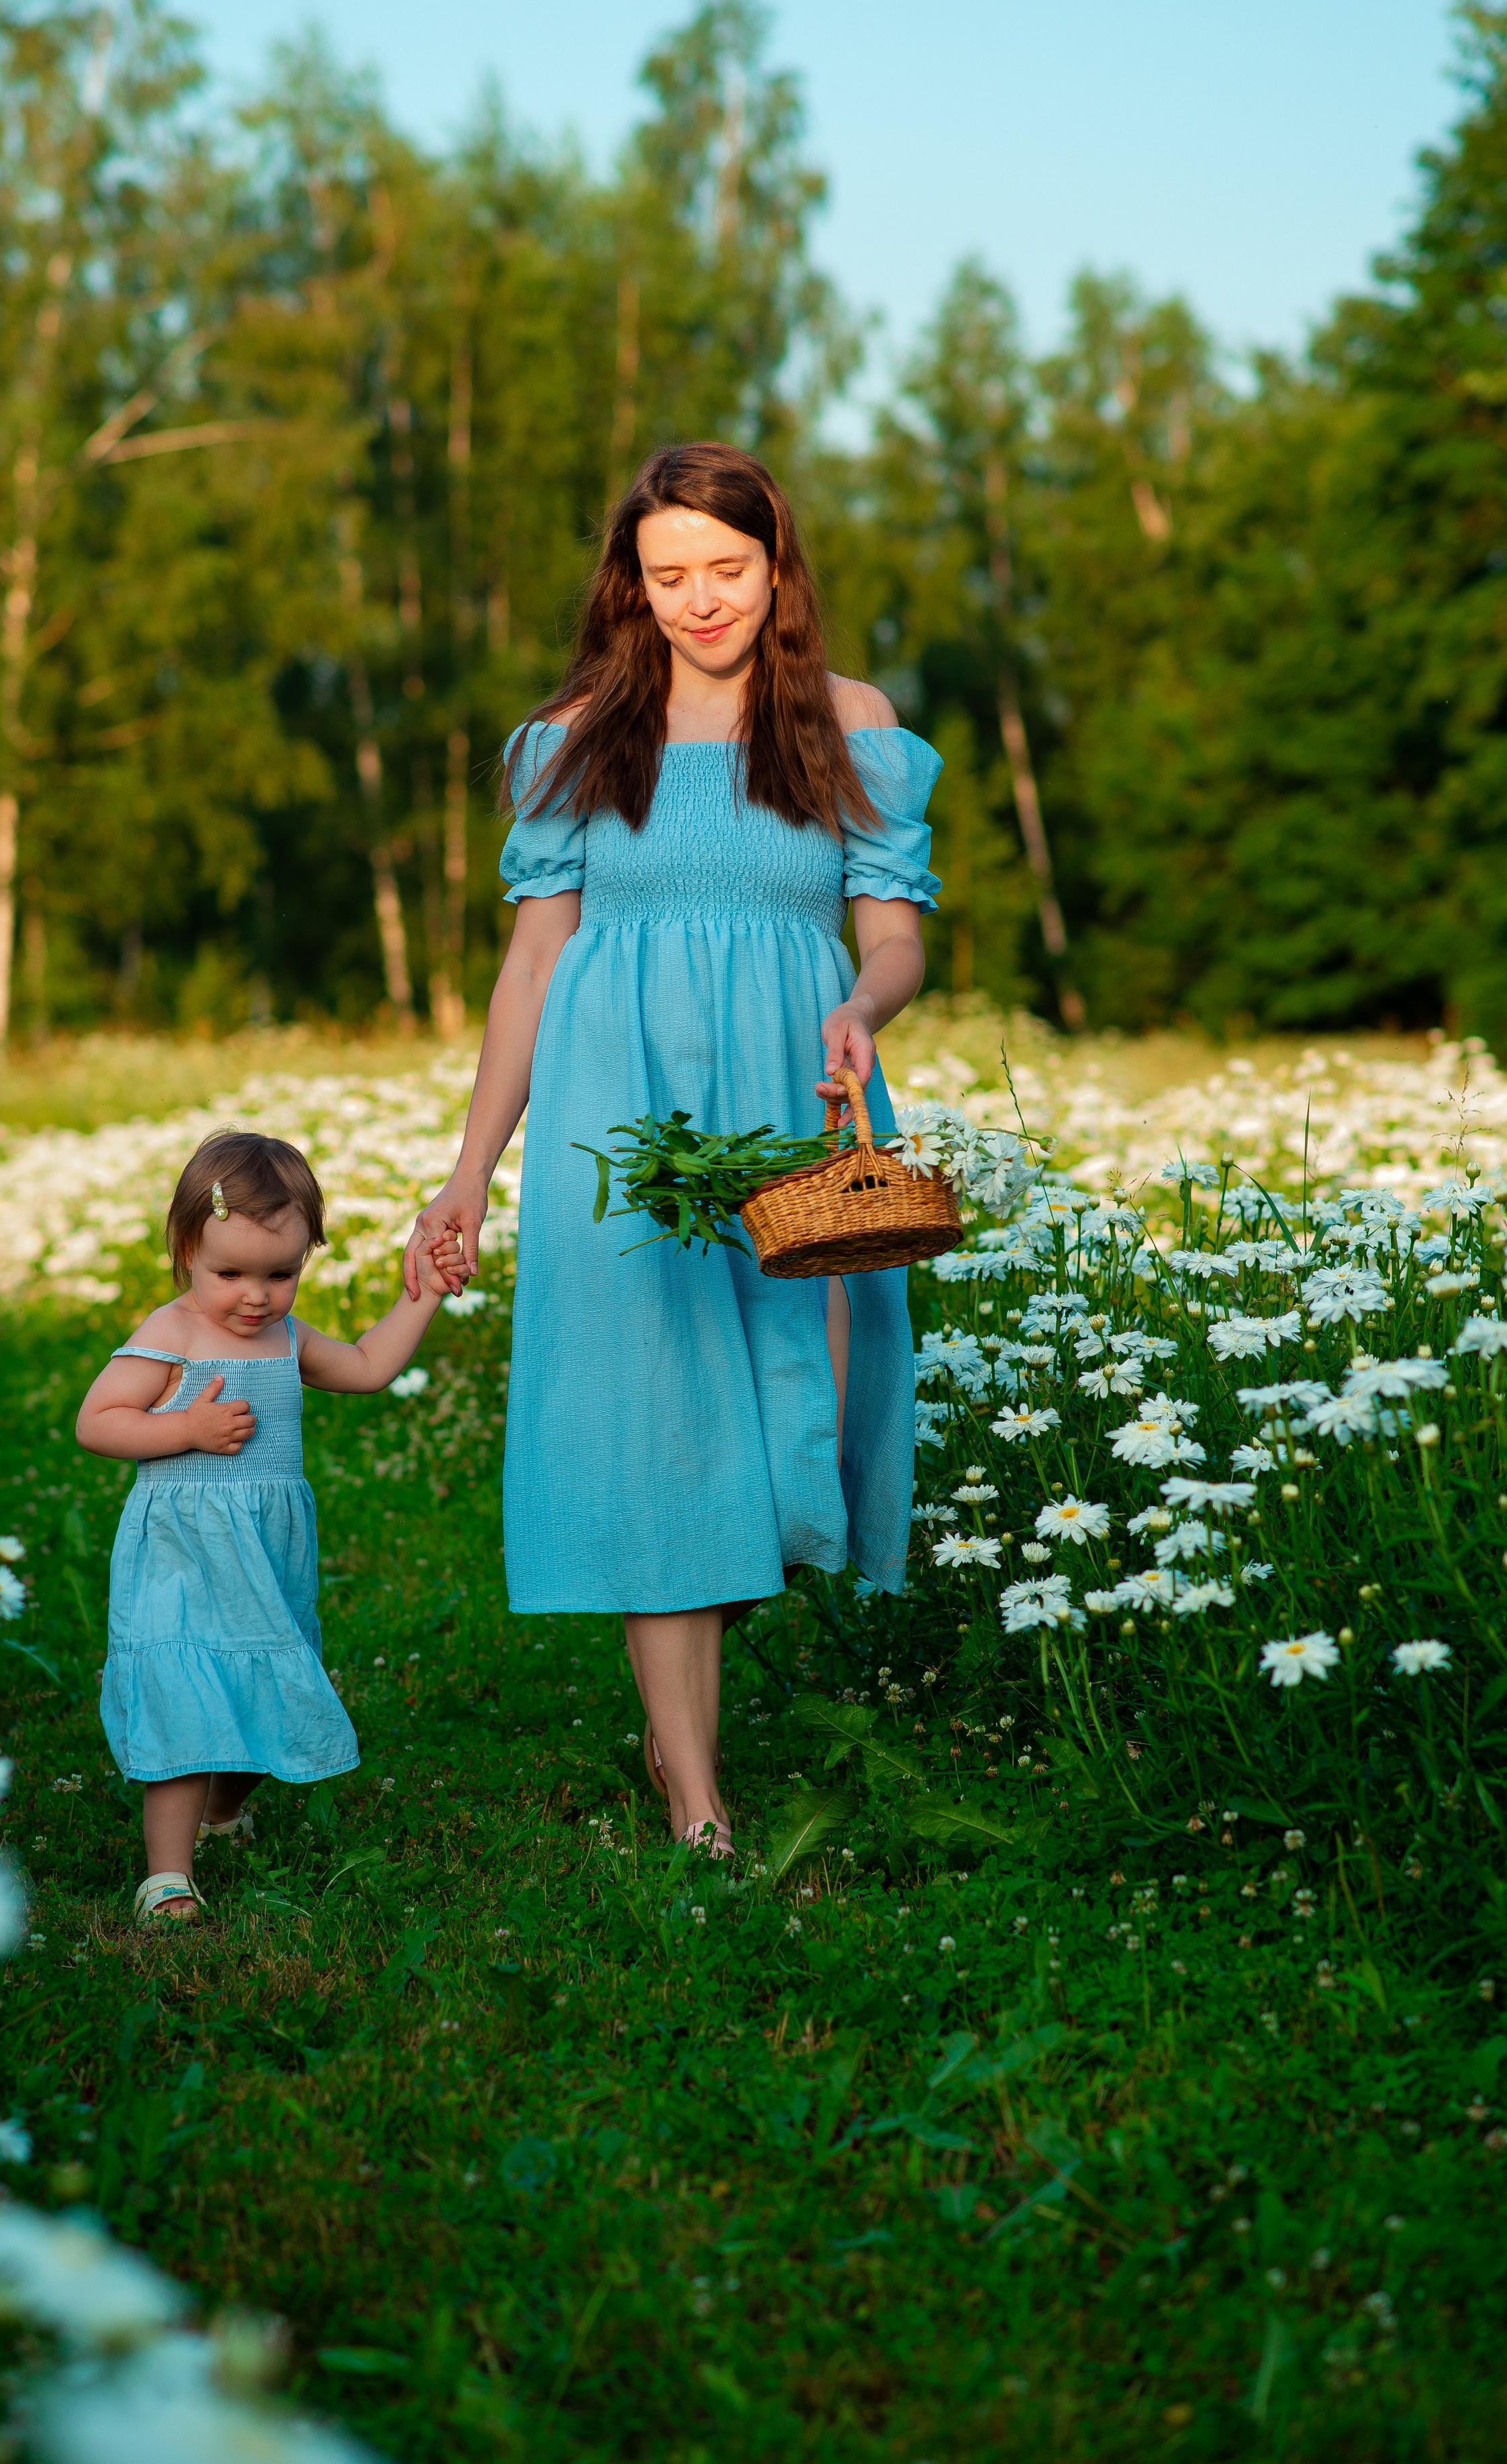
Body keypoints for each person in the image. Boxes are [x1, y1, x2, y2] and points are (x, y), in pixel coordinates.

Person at [404, 441, 939, 1856]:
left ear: (776, 567)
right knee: (655, 1431)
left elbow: (890, 929)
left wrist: (859, 1004)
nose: (699, 601)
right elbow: (530, 968)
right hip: (618, 1124)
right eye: (667, 576)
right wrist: (468, 1170)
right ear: (629, 584)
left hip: (793, 1101)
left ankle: (685, 1710)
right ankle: (694, 1789)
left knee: (786, 1444)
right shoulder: (578, 736)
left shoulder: (845, 722)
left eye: (725, 569)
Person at [75, 1128, 460, 1923]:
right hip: (183, 1556)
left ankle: (224, 1812)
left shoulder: (287, 1337)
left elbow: (366, 1367)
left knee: (262, 1693)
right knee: (186, 1700)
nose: (256, 1296)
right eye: (231, 1273)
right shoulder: (172, 1335)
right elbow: (99, 1421)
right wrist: (183, 1430)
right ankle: (166, 1876)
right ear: (186, 1249)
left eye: (281, 1274)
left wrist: (419, 1291)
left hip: (263, 1553)